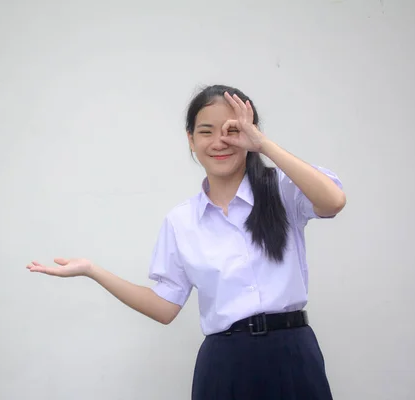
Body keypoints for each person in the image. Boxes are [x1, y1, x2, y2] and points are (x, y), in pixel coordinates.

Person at [27, 84, 346, 399]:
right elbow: (164, 307)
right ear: (190, 139)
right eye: (206, 131)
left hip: (291, 354)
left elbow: (333, 201)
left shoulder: (282, 189)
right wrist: (92, 270)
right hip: (225, 364)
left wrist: (263, 145)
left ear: (250, 132)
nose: (220, 141)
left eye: (232, 130)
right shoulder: (181, 222)